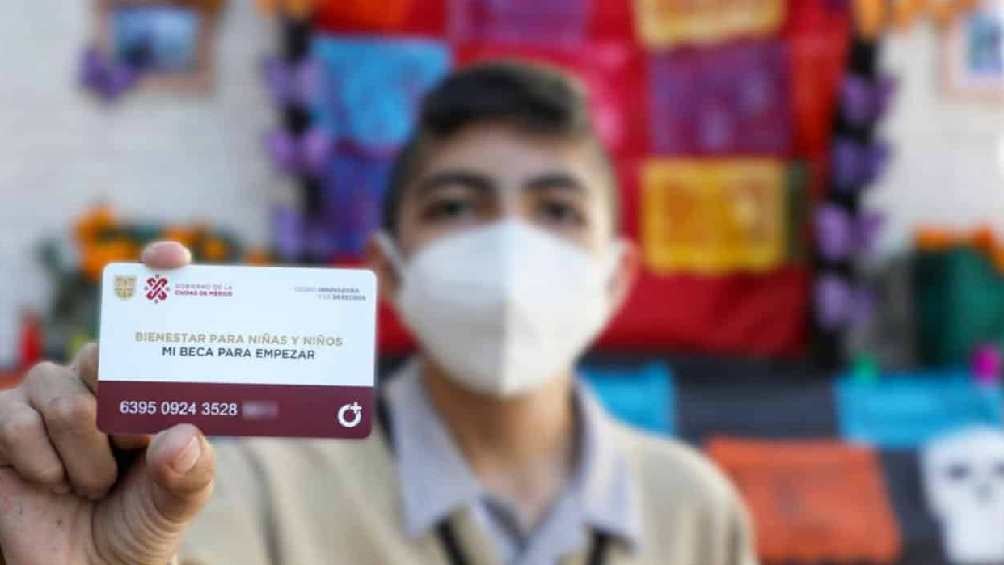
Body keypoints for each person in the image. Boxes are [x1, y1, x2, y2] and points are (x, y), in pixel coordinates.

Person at [0, 62, 757, 565]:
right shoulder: (243, 491)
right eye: (456, 205)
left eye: (556, 209)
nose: (510, 246)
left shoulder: (697, 508)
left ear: (615, 278)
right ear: (388, 270)